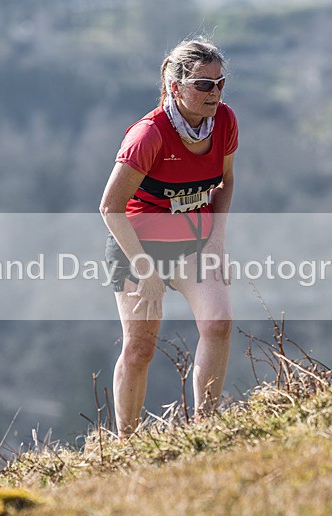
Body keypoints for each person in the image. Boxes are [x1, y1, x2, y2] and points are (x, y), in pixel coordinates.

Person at [99, 37, 238, 438]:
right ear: (176, 87)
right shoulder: (149, 135)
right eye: (204, 84)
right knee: (140, 348)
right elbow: (110, 207)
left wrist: (215, 242)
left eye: (220, 83)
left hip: (194, 242)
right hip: (137, 246)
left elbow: (225, 184)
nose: (215, 93)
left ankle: (204, 429)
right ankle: (126, 443)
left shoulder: (225, 121)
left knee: (219, 323)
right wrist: (146, 270)